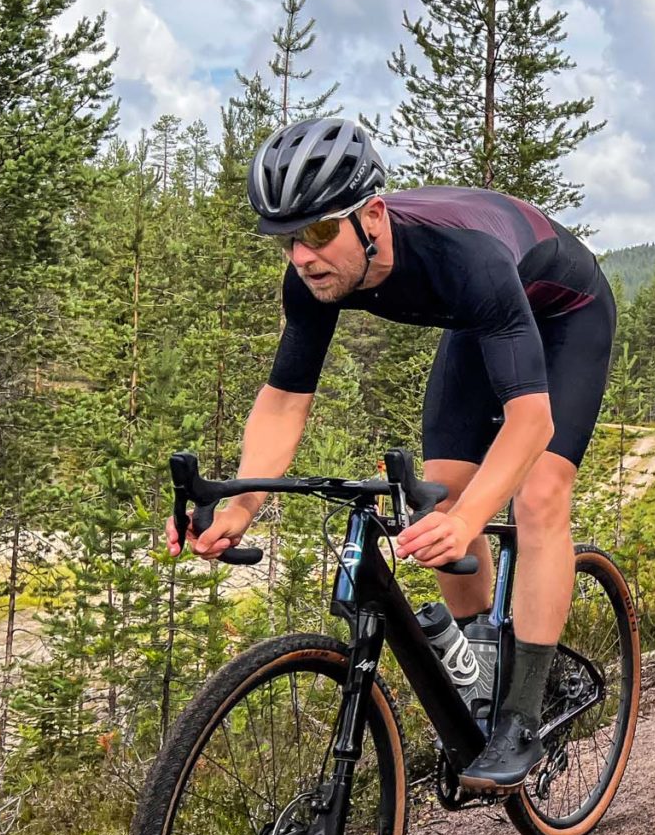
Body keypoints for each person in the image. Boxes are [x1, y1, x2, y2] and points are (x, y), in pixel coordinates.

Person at [164, 116, 615, 794]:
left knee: (538, 493)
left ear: (372, 215)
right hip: (481, 322)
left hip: (564, 313)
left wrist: (470, 524)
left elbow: (530, 419)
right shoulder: (313, 278)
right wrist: (243, 501)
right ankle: (482, 665)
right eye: (287, 239)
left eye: (318, 232)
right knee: (440, 489)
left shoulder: (466, 260)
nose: (303, 256)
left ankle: (522, 716)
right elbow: (286, 400)